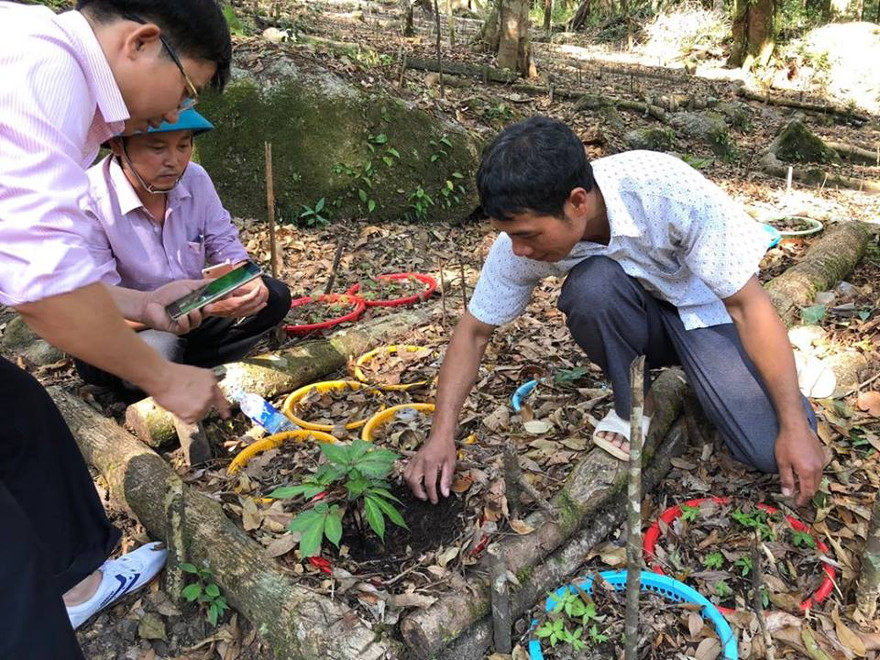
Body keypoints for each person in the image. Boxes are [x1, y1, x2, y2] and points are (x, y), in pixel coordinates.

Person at [404, 116, 826, 510]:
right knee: (593, 288)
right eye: (509, 236)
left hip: (707, 314)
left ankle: (744, 374)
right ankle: (636, 407)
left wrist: (792, 425)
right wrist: (442, 435)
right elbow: (474, 331)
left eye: (527, 235)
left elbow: (748, 306)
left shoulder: (664, 192)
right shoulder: (521, 241)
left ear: (576, 202)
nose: (519, 250)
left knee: (767, 449)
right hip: (641, 323)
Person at [0, 1, 232, 657]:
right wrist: (161, 377)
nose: (174, 113)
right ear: (143, 41)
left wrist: (149, 307)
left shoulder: (37, 56)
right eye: (184, 88)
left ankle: (79, 584)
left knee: (23, 420)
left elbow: (31, 258)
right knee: (9, 566)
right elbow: (45, 288)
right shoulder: (44, 71)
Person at [74, 108, 292, 393]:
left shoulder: (195, 178)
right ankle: (154, 378)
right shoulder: (88, 201)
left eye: (183, 146)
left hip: (191, 311)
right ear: (117, 145)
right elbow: (99, 311)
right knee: (160, 349)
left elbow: (224, 243)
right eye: (157, 147)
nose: (173, 161)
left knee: (272, 296)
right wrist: (198, 308)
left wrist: (244, 280)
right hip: (124, 330)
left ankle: (177, 373)